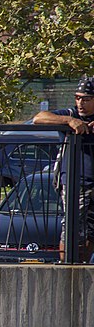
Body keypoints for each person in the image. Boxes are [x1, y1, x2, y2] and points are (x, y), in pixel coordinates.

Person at [33, 76, 94, 262]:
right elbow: (38, 118)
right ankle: (66, 265)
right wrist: (69, 121)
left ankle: (84, 266)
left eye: (86, 99)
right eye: (77, 98)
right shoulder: (71, 114)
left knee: (91, 231)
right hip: (76, 182)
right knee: (70, 228)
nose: (80, 103)